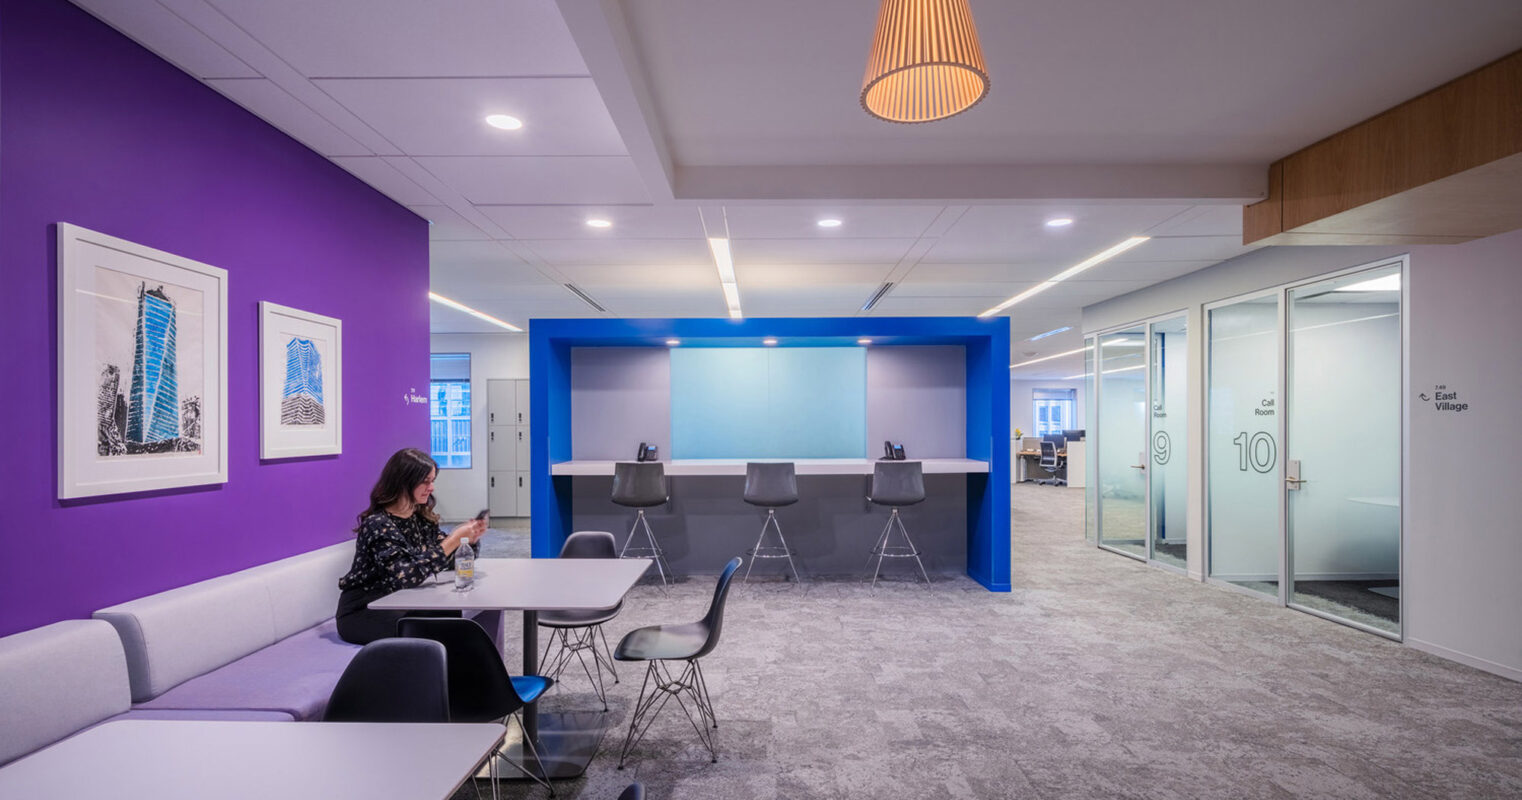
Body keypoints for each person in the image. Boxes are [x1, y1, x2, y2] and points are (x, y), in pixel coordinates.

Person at [335, 447, 488, 645]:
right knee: (436, 630)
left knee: (451, 616)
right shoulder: (378, 524)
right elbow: (405, 576)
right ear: (404, 482)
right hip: (365, 610)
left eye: (432, 481)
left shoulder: (420, 518)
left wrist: (469, 541)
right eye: (425, 481)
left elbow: (441, 561)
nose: (431, 488)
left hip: (401, 602)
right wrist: (453, 540)